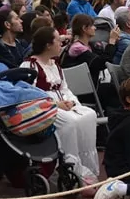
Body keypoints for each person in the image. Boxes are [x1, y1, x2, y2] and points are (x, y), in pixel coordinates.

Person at [21, 27, 100, 176]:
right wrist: (56, 104)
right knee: (70, 121)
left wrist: (72, 102)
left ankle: (87, 169)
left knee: (89, 114)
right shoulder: (29, 66)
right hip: (43, 108)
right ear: (48, 45)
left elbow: (65, 89)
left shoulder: (55, 65)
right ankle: (69, 167)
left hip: (63, 103)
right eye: (58, 40)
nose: (61, 43)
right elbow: (29, 95)